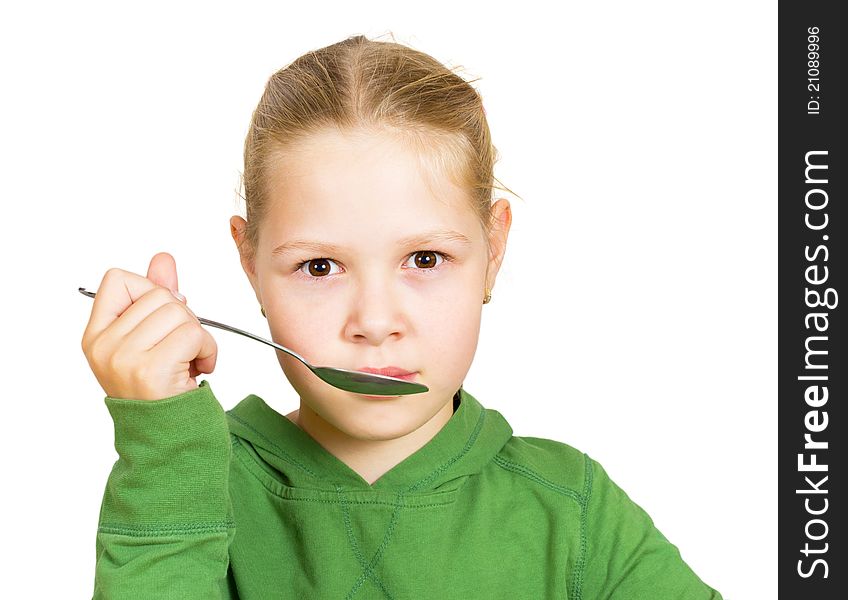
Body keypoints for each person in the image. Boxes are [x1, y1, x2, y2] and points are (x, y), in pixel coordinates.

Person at [82, 34, 723, 599]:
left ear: (493, 251)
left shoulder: (571, 511)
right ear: (249, 264)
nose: (375, 321)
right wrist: (164, 444)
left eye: (424, 257)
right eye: (320, 267)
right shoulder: (189, 483)